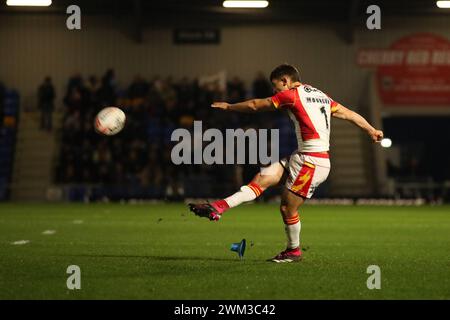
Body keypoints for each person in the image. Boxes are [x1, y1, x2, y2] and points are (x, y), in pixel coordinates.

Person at [189, 64, 384, 263]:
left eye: (276, 87)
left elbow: (256, 105)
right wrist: (371, 129)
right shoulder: (321, 95)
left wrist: (229, 106)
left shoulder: (291, 94)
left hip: (312, 162)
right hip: (301, 156)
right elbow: (349, 113)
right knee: (260, 180)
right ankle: (218, 207)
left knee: (287, 208)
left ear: (285, 81)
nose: (275, 92)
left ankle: (293, 251)